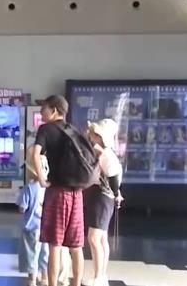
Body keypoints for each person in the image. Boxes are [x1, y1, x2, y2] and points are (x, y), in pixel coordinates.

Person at [30, 95, 85, 286]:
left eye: (44, 108)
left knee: (55, 244)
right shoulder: (73, 130)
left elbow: (35, 154)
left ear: (54, 110)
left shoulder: (45, 129)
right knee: (76, 246)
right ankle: (76, 283)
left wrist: (42, 179)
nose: (41, 112)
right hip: (76, 193)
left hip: (58, 192)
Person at [84, 119, 124, 286]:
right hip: (102, 198)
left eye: (94, 133)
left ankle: (99, 277)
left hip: (101, 198)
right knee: (101, 239)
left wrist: (116, 193)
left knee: (94, 238)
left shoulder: (104, 154)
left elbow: (113, 177)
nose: (91, 136)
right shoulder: (106, 153)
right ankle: (101, 275)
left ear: (101, 136)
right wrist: (116, 194)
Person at [18, 154, 49, 286]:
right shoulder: (47, 187)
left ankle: (32, 280)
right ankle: (45, 277)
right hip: (46, 227)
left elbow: (22, 208)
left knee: (32, 253)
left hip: (31, 227)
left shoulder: (28, 188)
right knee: (44, 252)